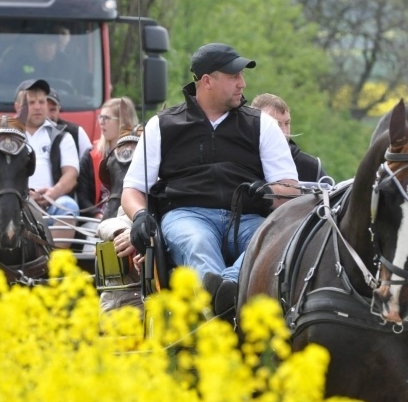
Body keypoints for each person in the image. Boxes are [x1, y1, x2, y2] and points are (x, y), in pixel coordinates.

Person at [121, 43, 299, 318]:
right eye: (233, 77)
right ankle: (225, 309)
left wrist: (265, 191)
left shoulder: (261, 124)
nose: (243, 83)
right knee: (197, 242)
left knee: (273, 238)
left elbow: (290, 188)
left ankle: (224, 292)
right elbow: (133, 187)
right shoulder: (163, 125)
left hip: (248, 218)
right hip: (187, 215)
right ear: (207, 81)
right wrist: (140, 215)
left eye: (241, 76)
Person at [13, 79, 80, 233]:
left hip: (51, 205)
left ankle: (54, 257)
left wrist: (52, 194)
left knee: (69, 206)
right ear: (17, 107)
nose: (37, 107)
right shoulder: (8, 137)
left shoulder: (62, 136)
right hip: (15, 204)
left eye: (42, 102)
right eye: (31, 102)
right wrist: (23, 195)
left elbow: (71, 175)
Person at [77, 97, 139, 219]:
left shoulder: (140, 155)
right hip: (96, 220)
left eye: (106, 118)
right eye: (100, 117)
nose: (101, 122)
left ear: (123, 121)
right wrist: (98, 215)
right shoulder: (91, 154)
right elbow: (82, 196)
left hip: (131, 217)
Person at [250, 93, 328, 182]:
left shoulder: (311, 167)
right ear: (255, 124)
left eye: (287, 123)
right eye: (276, 124)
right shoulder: (241, 161)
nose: (284, 132)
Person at [46, 88, 93, 173]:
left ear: (59, 109)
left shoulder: (76, 132)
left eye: (52, 110)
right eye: (44, 110)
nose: (48, 116)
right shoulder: (26, 134)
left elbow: (89, 167)